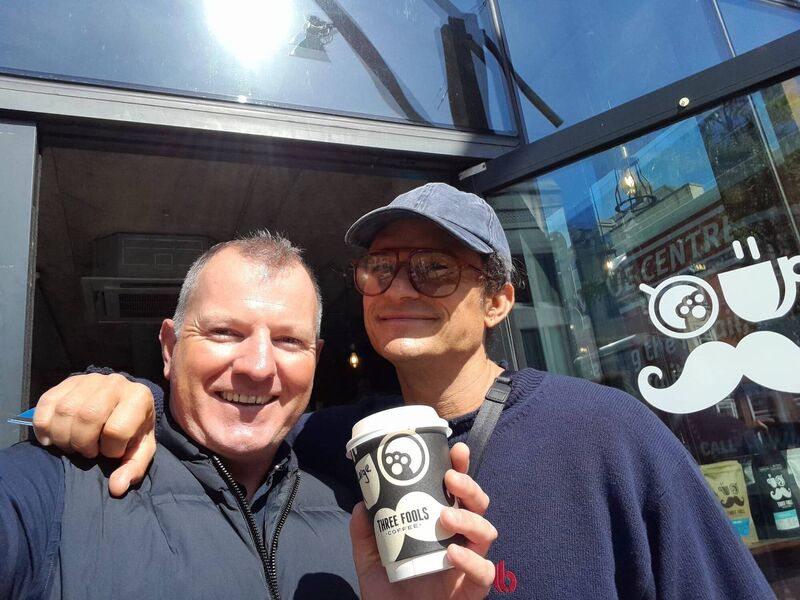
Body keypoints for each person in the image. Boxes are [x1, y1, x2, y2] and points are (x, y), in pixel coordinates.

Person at [32, 183, 775, 598]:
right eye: (381, 267)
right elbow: (224, 426)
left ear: (497, 300)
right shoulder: (325, 446)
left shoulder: (607, 434)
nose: (399, 288)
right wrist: (132, 396)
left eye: (435, 269)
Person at [2, 231, 496, 600]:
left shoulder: (361, 516)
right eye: (224, 333)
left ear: (316, 361)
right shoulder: (57, 486)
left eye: (288, 341)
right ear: (170, 349)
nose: (259, 367)